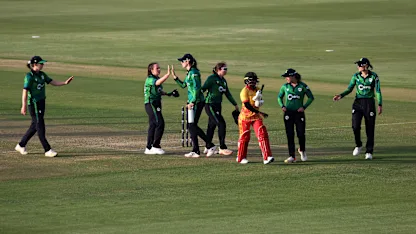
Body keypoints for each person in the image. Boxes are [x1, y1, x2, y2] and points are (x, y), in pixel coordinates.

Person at [15, 56, 74, 157]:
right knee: (40, 126)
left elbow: (52, 82)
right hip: (34, 104)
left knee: (35, 125)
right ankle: (47, 149)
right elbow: (25, 91)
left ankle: (21, 145)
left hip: (42, 103)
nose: (43, 65)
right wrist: (23, 106)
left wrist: (64, 83)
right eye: (41, 63)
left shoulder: (42, 75)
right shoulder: (29, 76)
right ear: (34, 64)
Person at [333, 58, 382, 160]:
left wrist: (379, 104)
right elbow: (350, 88)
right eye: (358, 65)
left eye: (360, 65)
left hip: (369, 103)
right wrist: (341, 95)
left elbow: (377, 91)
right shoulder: (355, 76)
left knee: (370, 128)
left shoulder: (374, 76)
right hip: (358, 103)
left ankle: (369, 151)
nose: (358, 66)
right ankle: (358, 145)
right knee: (355, 126)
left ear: (366, 66)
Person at [172, 53, 217, 158]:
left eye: (182, 61)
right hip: (192, 101)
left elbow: (197, 88)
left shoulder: (194, 73)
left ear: (188, 61)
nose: (181, 63)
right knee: (191, 126)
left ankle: (209, 145)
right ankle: (197, 150)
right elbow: (184, 85)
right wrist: (175, 78)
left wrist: (193, 101)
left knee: (191, 125)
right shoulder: (189, 73)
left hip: (197, 102)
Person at [201, 62, 239, 156]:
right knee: (221, 124)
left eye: (226, 69)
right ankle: (222, 147)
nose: (226, 71)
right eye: (224, 69)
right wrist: (194, 100)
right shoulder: (211, 78)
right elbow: (203, 89)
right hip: (210, 105)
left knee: (211, 126)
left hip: (218, 105)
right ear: (218, 70)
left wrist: (235, 104)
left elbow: (228, 93)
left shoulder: (224, 81)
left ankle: (207, 146)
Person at [278, 68, 314, 163]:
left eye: (287, 77)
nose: (286, 78)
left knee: (301, 133)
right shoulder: (285, 87)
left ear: (293, 76)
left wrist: (304, 107)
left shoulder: (302, 86)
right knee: (290, 134)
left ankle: (302, 150)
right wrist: (282, 106)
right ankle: (292, 156)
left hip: (299, 113)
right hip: (288, 113)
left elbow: (311, 97)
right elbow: (279, 97)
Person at [236, 72, 274, 164]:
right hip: (245, 117)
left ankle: (267, 157)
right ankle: (241, 157)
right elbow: (247, 105)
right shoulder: (244, 91)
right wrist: (259, 112)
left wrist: (260, 101)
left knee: (262, 133)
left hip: (255, 117)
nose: (253, 82)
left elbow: (258, 102)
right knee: (244, 137)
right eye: (251, 81)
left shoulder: (257, 90)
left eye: (254, 80)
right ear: (246, 82)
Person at [144, 63, 179, 155]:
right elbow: (157, 83)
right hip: (151, 103)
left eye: (159, 68)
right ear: (151, 70)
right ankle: (155, 146)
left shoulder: (155, 79)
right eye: (157, 68)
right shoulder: (150, 79)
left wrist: (169, 94)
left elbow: (159, 91)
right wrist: (167, 75)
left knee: (153, 125)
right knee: (160, 123)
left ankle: (149, 147)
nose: (159, 69)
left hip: (156, 103)